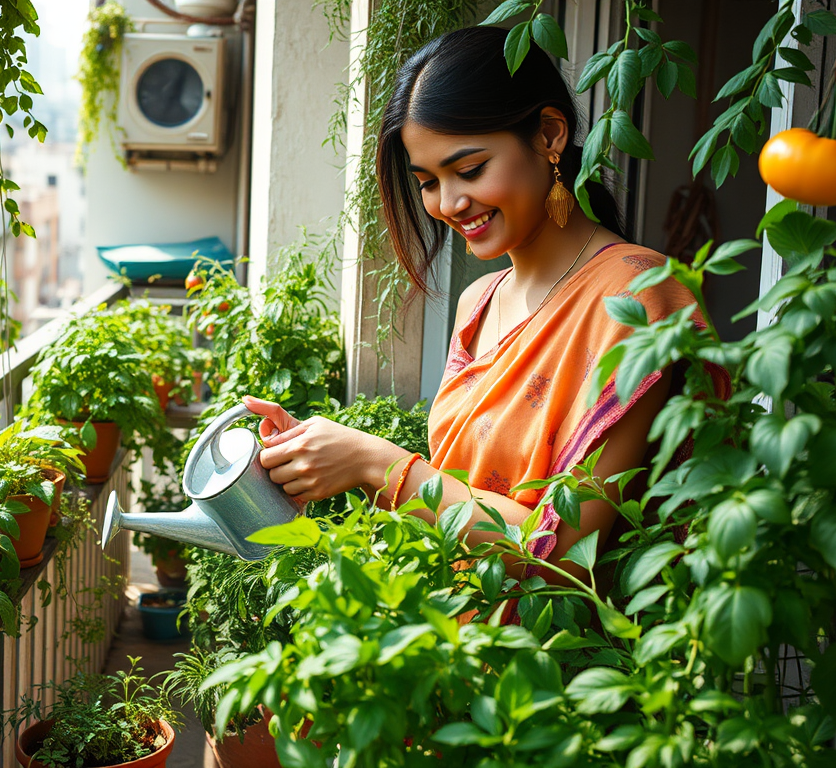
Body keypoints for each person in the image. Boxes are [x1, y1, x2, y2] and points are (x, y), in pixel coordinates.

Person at [243, 26, 726, 580]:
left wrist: (374, 462)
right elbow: (461, 487)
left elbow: (563, 558)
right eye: (427, 181)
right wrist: (322, 456)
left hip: (560, 658)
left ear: (548, 135)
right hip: (447, 641)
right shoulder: (479, 303)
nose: (448, 203)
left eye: (469, 170)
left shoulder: (637, 297)